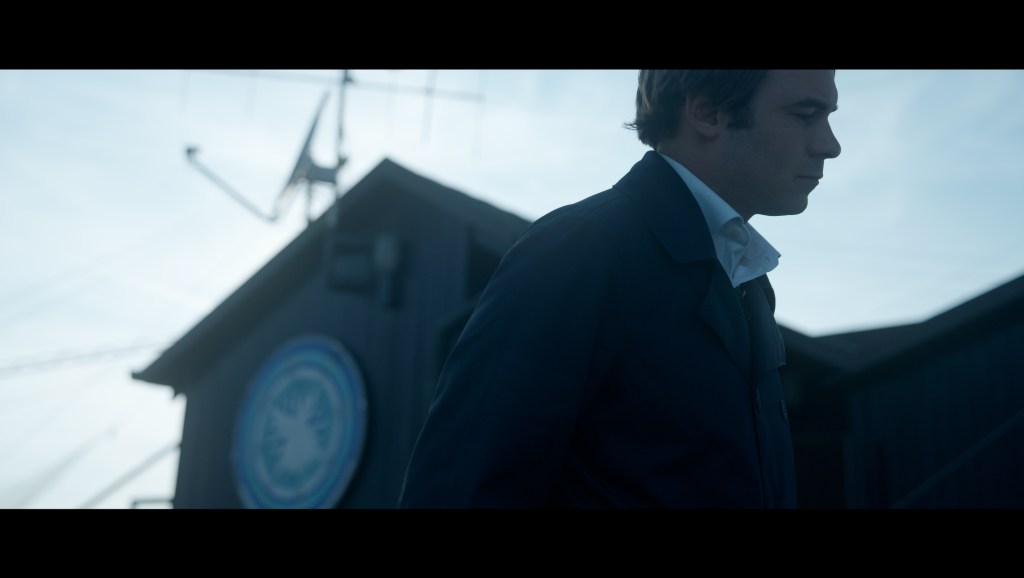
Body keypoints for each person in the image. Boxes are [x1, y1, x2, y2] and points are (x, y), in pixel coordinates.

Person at [398, 70, 841, 508]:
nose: (830, 145)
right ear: (708, 112)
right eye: (806, 115)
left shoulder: (747, 280)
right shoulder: (581, 248)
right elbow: (458, 490)